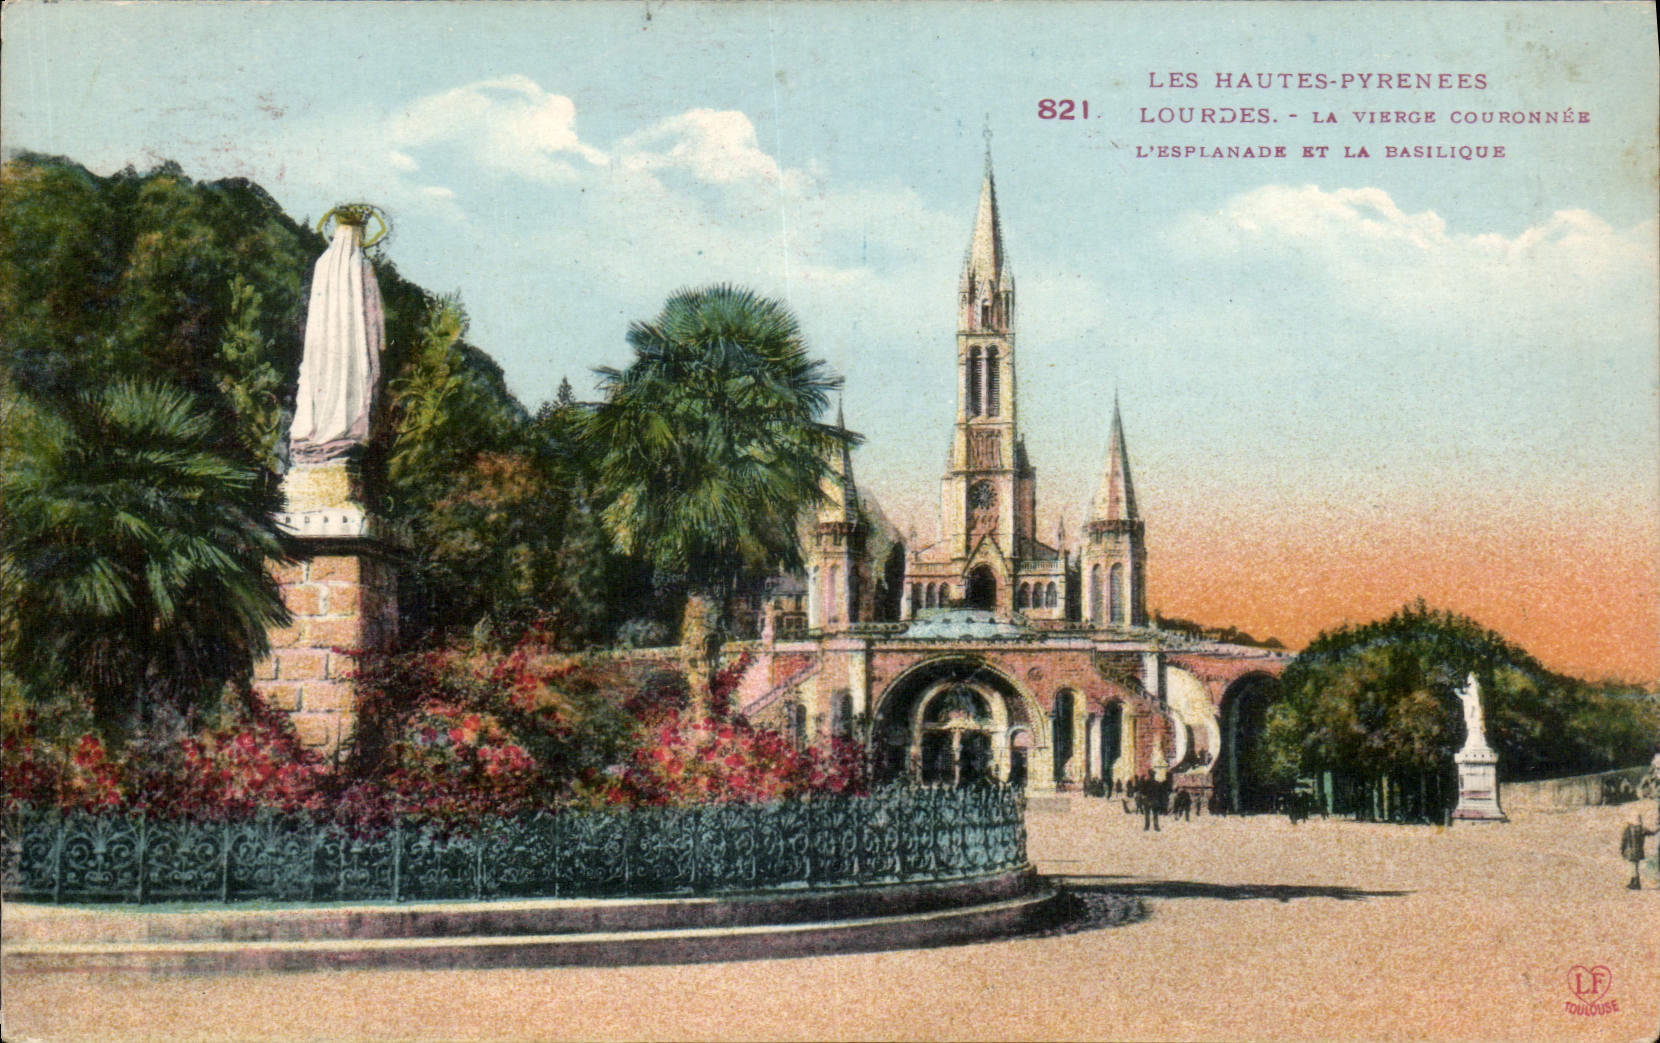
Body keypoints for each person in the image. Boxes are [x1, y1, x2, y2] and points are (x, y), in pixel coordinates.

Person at [1621, 815, 1656, 890]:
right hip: (1639, 851)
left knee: (1632, 866)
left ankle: (1635, 882)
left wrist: (1622, 850)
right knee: (1635, 866)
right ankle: (1634, 882)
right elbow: (1652, 833)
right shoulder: (1642, 829)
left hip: (1629, 851)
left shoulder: (1628, 829)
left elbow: (1624, 840)